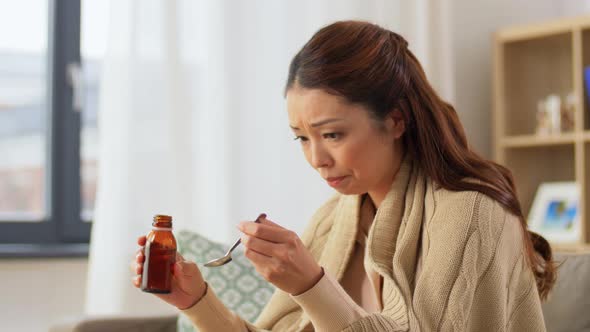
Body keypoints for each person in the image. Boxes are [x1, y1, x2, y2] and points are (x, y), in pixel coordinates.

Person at [132, 20, 555, 331]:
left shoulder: (471, 217)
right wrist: (196, 301)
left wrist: (312, 285)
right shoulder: (334, 220)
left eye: (332, 134)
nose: (317, 158)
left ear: (395, 121)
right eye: (300, 138)